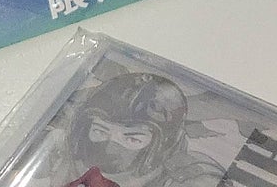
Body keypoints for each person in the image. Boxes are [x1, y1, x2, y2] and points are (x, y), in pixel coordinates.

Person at [48, 70, 222, 187]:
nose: (109, 149)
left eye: (132, 138)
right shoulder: (63, 154)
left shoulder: (194, 177)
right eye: (100, 131)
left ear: (163, 144)